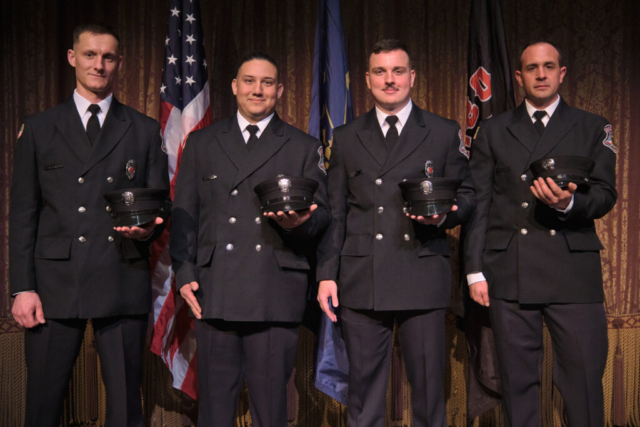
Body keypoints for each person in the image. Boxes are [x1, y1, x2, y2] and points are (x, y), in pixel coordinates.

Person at [9, 23, 169, 427]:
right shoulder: (40, 127)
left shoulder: (144, 129)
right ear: (72, 57)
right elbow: (25, 212)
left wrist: (147, 231)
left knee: (126, 407)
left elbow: (159, 204)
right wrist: (22, 286)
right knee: (43, 404)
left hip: (120, 275)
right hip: (53, 283)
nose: (99, 65)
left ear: (119, 63)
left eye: (108, 57)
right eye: (90, 55)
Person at [316, 39, 475, 427]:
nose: (390, 80)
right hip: (361, 277)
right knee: (364, 396)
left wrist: (444, 216)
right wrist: (326, 273)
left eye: (398, 71)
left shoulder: (441, 131)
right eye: (381, 72)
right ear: (367, 80)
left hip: (420, 273)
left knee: (428, 394)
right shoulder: (347, 136)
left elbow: (468, 195)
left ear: (412, 77)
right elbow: (336, 212)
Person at [170, 52, 330, 427]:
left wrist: (299, 222)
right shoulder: (202, 143)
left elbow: (324, 216)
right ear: (234, 86)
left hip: (274, 289)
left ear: (280, 90)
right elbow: (185, 213)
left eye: (267, 82)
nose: (257, 90)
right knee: (215, 407)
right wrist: (185, 268)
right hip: (215, 288)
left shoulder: (302, 146)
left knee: (271, 407)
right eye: (249, 80)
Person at [465, 41, 617, 427]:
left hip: (572, 269)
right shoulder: (494, 130)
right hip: (509, 268)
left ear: (562, 73)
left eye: (549, 66)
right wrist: (474, 270)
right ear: (519, 77)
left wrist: (568, 204)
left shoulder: (592, 126)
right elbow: (480, 203)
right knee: (517, 383)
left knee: (582, 379)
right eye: (532, 68)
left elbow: (605, 194)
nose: (541, 74)